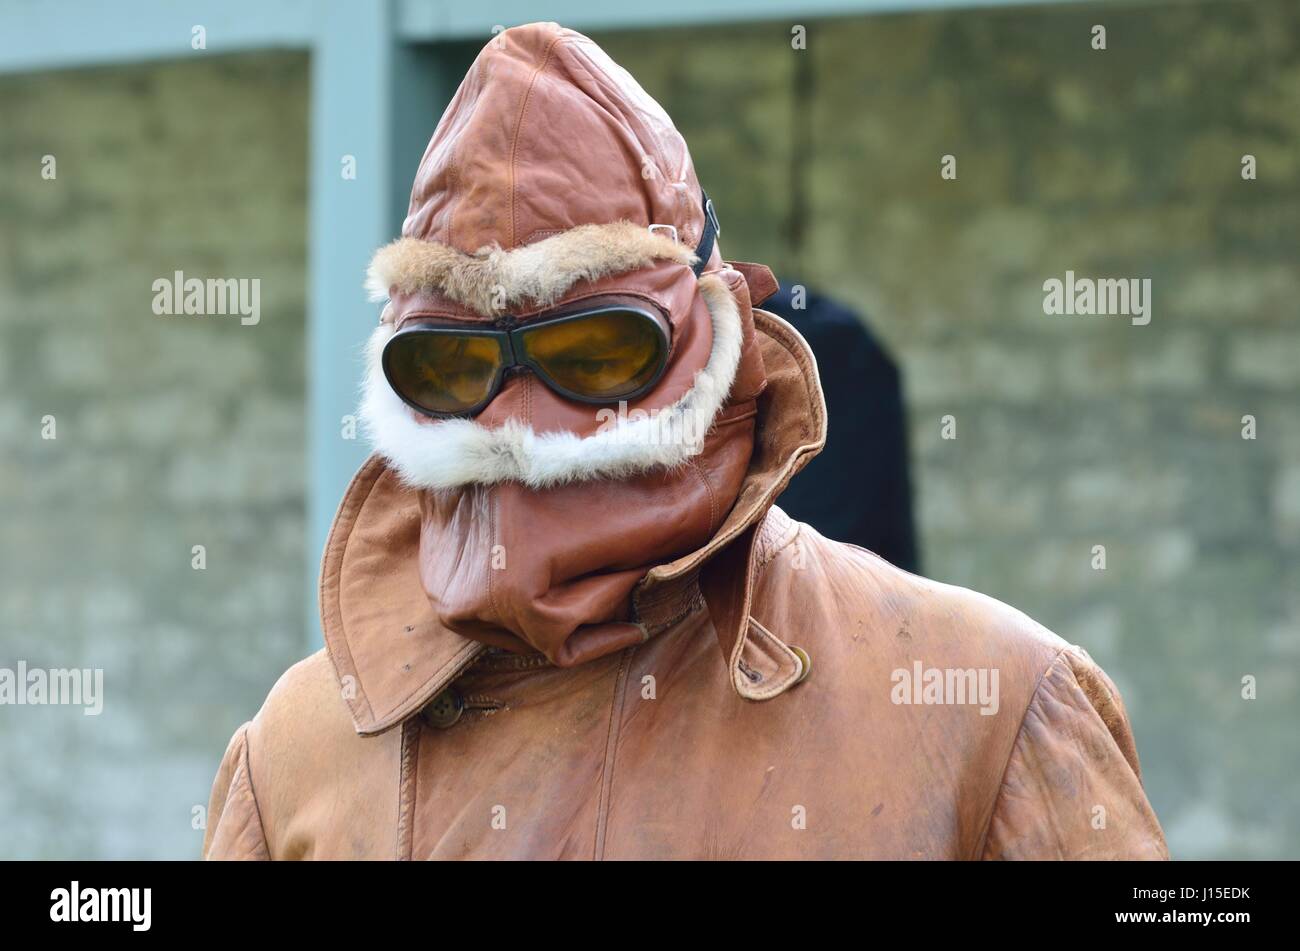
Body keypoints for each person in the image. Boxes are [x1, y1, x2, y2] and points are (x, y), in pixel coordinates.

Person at [203, 22, 1167, 860]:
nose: (522, 414)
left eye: (594, 349)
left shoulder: (986, 705)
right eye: (453, 366)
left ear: (712, 330)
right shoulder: (296, 753)